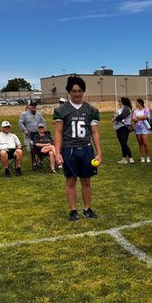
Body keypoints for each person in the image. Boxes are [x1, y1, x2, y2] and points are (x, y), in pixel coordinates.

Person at [54, 74, 102, 221]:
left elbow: (94, 132)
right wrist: (57, 152)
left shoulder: (91, 110)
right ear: (69, 92)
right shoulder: (61, 110)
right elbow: (58, 132)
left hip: (86, 148)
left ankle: (87, 209)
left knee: (86, 181)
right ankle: (73, 210)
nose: (77, 93)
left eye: (79, 90)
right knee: (70, 181)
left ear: (83, 91)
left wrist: (99, 152)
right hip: (69, 149)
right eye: (74, 91)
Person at [114, 95, 135, 163]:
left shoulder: (126, 108)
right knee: (122, 143)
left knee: (124, 143)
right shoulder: (121, 109)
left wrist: (116, 119)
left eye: (120, 101)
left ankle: (130, 157)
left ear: (123, 102)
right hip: (119, 128)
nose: (119, 102)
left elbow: (122, 116)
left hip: (124, 128)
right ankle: (124, 158)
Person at [132, 96, 152, 162]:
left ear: (140, 103)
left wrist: (137, 118)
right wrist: (139, 118)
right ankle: (142, 157)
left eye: (136, 103)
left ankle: (148, 156)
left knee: (145, 143)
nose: (135, 104)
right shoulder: (135, 111)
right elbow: (133, 119)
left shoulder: (146, 109)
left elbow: (145, 117)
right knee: (140, 143)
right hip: (137, 128)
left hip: (145, 128)